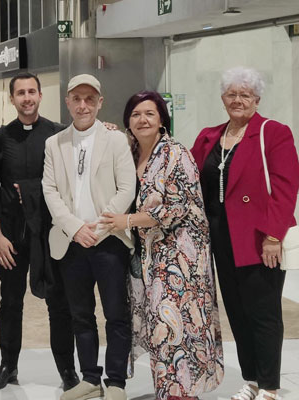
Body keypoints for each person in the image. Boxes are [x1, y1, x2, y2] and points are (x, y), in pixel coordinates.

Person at [99, 91, 224, 400]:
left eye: (150, 114)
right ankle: (169, 392)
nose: (143, 119)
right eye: (136, 114)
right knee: (160, 328)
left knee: (177, 328)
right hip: (149, 256)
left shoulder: (175, 153)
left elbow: (176, 206)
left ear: (162, 120)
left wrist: (126, 221)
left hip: (180, 257)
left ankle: (182, 393)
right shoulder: (129, 152)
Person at [190, 67, 299, 400]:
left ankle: (269, 386)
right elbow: (186, 175)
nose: (238, 100)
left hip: (259, 239)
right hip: (221, 240)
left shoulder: (273, 132)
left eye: (245, 95)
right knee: (237, 312)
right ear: (223, 98)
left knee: (263, 314)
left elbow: (285, 188)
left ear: (257, 99)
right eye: (232, 94)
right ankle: (251, 379)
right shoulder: (210, 136)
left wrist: (273, 236)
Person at [0, 72, 78, 392]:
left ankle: (67, 369)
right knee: (10, 302)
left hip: (49, 235)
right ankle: (8, 365)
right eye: (20, 93)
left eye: (31, 92)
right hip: (11, 235)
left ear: (40, 95)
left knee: (58, 303)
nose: (26, 98)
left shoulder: (57, 134)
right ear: (12, 99)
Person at [42, 74, 135, 400]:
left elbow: (127, 188)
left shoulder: (116, 140)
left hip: (108, 240)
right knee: (80, 314)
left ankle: (116, 382)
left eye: (89, 99)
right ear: (67, 102)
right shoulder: (54, 143)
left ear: (99, 103)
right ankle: (90, 378)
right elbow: (50, 191)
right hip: (71, 242)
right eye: (76, 99)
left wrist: (95, 228)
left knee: (115, 314)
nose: (83, 105)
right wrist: (74, 227)